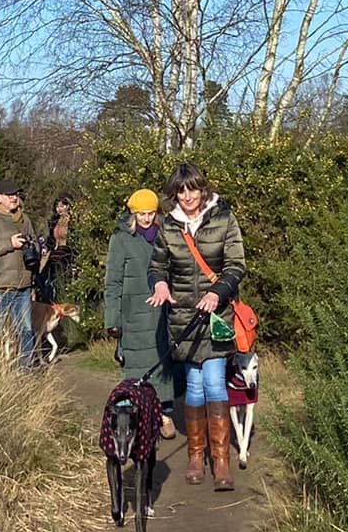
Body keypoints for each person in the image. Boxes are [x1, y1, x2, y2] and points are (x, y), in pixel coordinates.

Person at [148, 161, 245, 490]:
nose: (187, 196)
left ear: (203, 189)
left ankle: (221, 461)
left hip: (217, 316)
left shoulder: (224, 218)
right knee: (194, 385)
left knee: (215, 383)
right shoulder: (169, 226)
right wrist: (160, 284)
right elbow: (157, 265)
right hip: (184, 318)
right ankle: (195, 455)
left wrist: (217, 293)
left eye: (192, 189)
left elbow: (236, 266)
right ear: (174, 194)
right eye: (181, 191)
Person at [104, 186, 177, 438]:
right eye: (142, 214)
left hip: (161, 313)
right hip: (132, 315)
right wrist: (112, 319)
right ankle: (138, 419)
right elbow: (112, 281)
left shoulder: (165, 235)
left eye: (150, 213)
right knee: (136, 371)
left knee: (162, 365)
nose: (147, 218)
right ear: (133, 214)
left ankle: (165, 413)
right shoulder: (121, 239)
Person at [0, 182, 43, 366]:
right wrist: (9, 244)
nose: (14, 198)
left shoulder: (24, 219)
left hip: (23, 285)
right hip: (0, 286)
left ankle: (26, 370)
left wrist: (32, 246)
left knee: (26, 329)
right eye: (9, 194)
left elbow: (36, 244)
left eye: (16, 194)